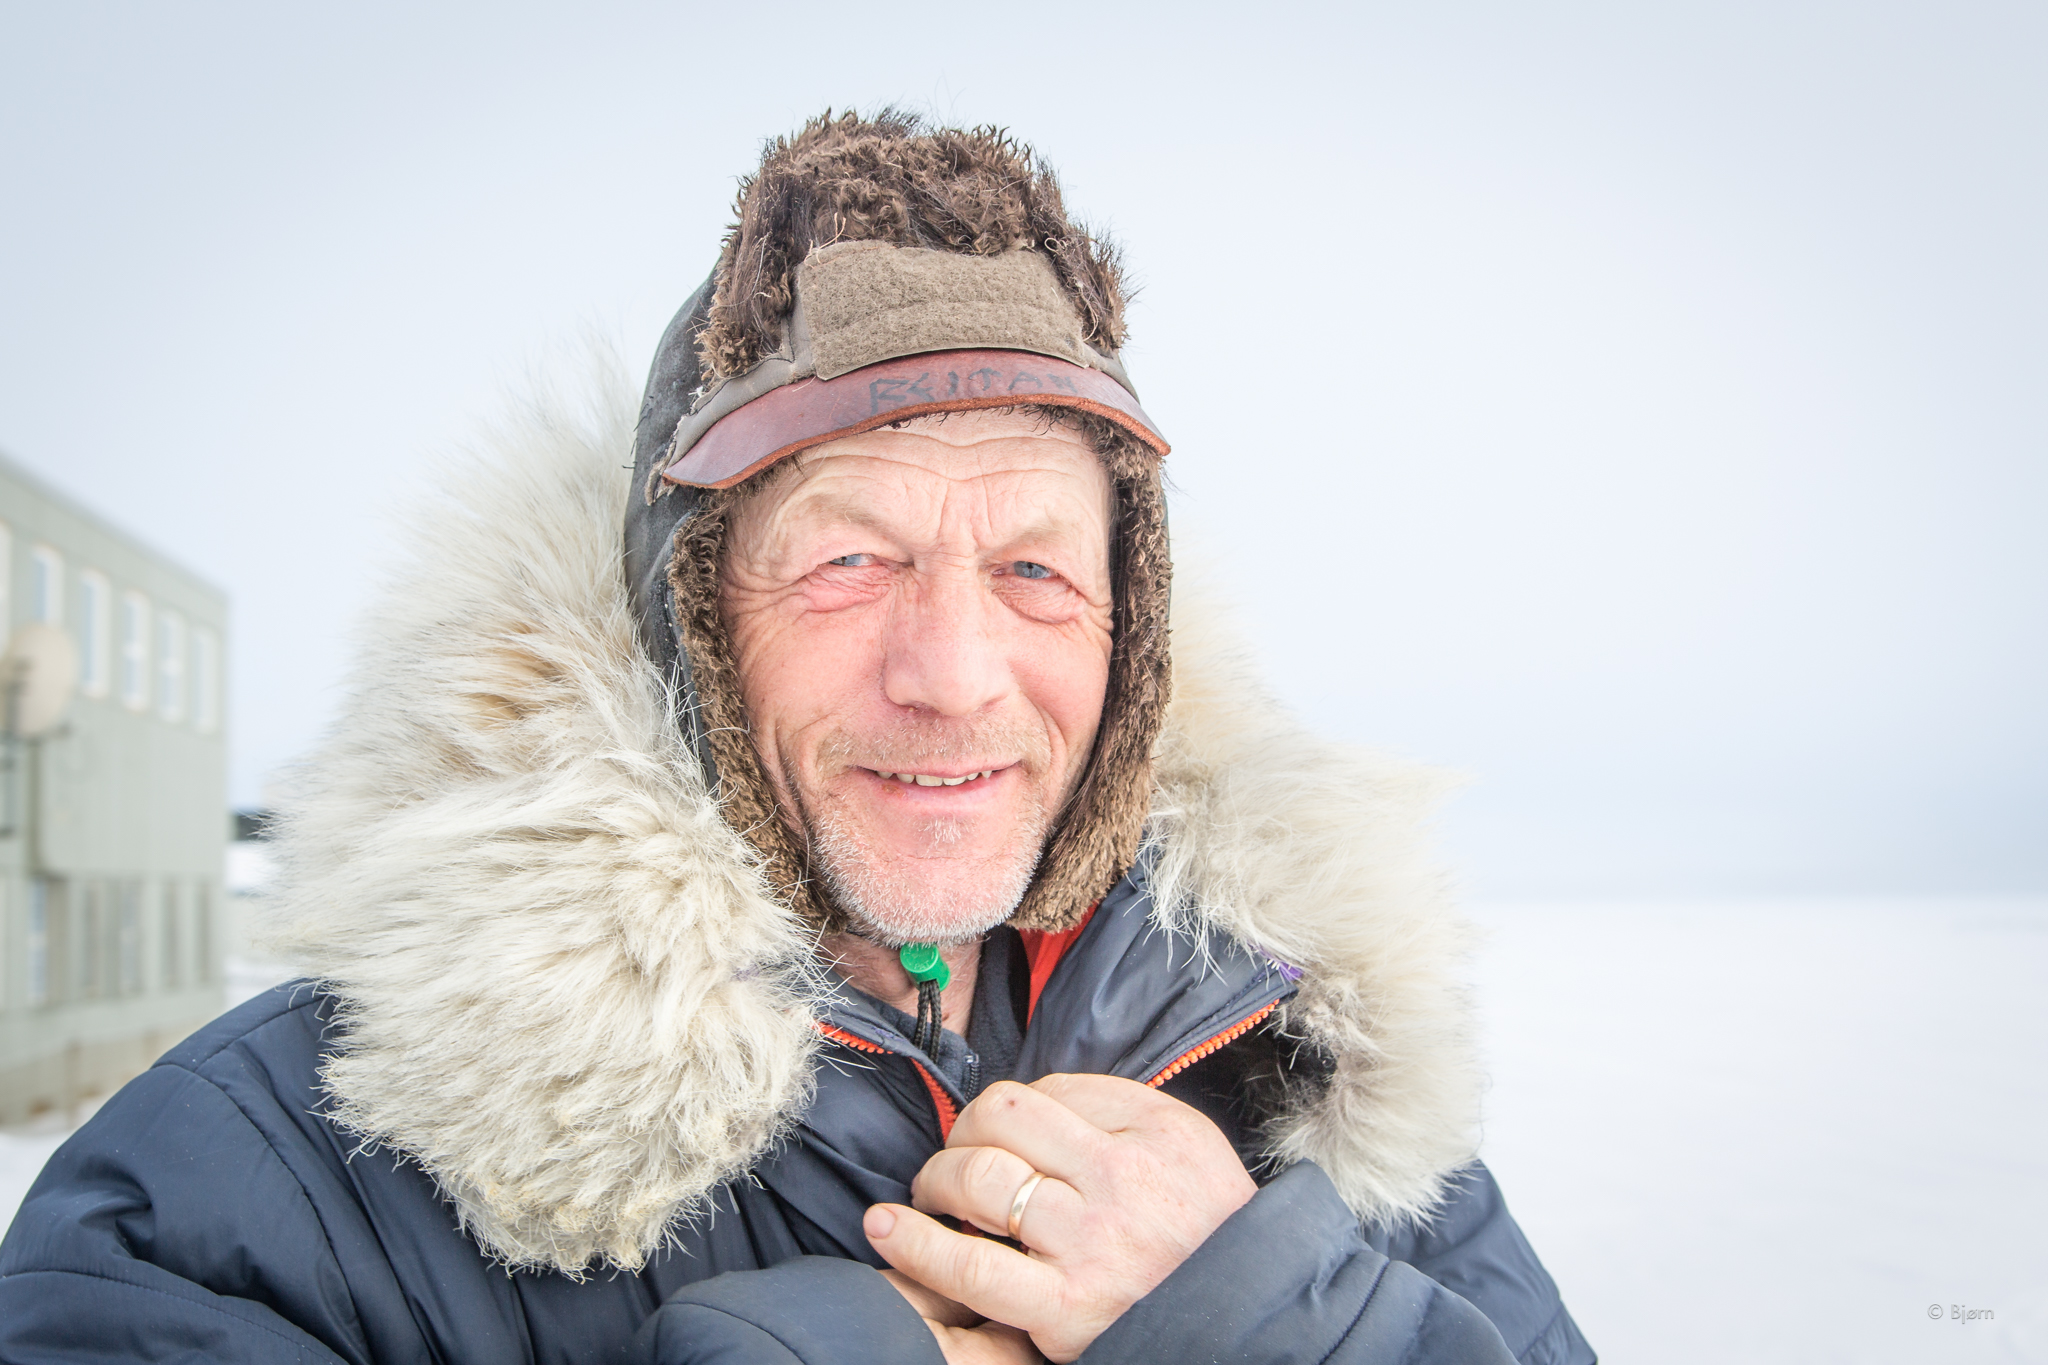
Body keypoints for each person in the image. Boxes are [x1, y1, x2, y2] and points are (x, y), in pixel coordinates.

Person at [0, 111, 1594, 1365]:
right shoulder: (258, 1185)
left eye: (1036, 567)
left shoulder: (1303, 1074)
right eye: (847, 559)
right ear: (692, 619)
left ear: (1133, 630)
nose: (956, 673)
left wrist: (1267, 1322)